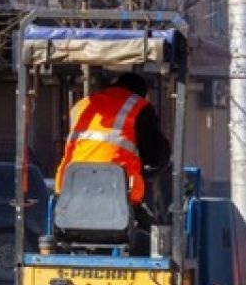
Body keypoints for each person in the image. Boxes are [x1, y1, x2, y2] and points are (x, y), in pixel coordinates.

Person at [56, 72, 171, 214]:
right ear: (140, 93)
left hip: (70, 195)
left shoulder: (81, 105)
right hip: (118, 199)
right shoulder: (139, 107)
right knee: (148, 233)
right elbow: (157, 156)